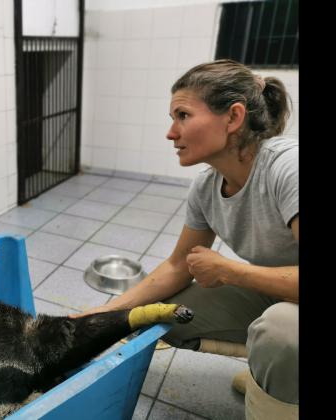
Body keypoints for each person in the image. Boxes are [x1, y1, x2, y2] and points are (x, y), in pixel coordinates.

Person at [74, 59, 298, 419]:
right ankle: (272, 375)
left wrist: (231, 272)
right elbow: (178, 266)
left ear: (233, 117)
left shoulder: (288, 168)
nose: (171, 132)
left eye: (182, 115)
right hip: (279, 289)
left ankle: (279, 378)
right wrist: (107, 313)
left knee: (281, 333)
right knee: (165, 314)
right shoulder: (206, 186)